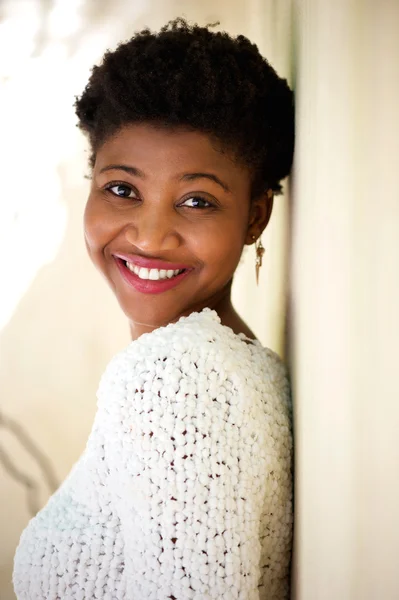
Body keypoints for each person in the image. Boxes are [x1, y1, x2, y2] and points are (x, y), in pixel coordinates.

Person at [13, 17, 294, 600]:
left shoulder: (174, 378)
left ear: (254, 217)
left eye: (196, 200)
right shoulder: (237, 365)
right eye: (122, 189)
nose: (149, 235)